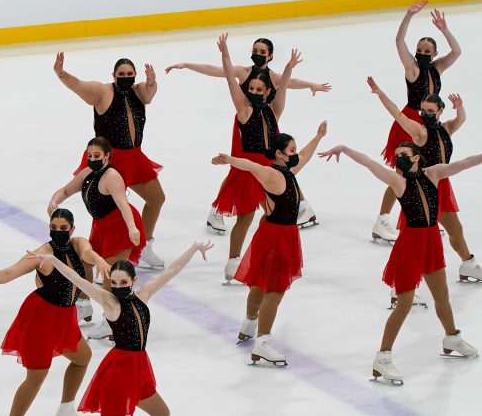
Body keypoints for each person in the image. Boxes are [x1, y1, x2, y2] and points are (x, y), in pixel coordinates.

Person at [29, 242, 214, 416]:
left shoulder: (143, 295)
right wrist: (52, 260)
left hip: (138, 368)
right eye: (113, 282)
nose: (118, 286)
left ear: (133, 280)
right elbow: (78, 278)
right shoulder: (109, 302)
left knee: (160, 414)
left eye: (123, 281)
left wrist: (194, 248)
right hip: (119, 371)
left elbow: (172, 270)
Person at [317, 142, 482, 384]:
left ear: (415, 158)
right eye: (397, 155)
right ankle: (382, 358)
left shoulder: (433, 174)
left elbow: (463, 164)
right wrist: (345, 149)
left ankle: (452, 338)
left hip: (431, 240)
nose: (399, 158)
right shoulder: (398, 182)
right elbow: (369, 163)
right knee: (404, 303)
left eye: (404, 154)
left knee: (441, 296)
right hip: (410, 245)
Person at [0, 209, 111, 416]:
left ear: (72, 229)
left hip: (64, 318)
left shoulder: (78, 244)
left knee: (82, 358)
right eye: (54, 227)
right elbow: (9, 273)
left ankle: (66, 410)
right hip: (40, 318)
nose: (58, 232)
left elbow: (87, 252)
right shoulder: (43, 255)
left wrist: (98, 260)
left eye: (63, 228)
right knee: (36, 376)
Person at [164, 36, 330, 233]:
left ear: (270, 56)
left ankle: (301, 205)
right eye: (255, 51)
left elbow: (288, 83)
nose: (257, 55)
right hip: (246, 124)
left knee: (277, 166)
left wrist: (310, 83)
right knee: (240, 169)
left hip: (267, 123)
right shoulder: (243, 72)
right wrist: (187, 65)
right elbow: (215, 70)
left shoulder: (274, 77)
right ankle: (219, 210)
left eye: (262, 52)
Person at [212, 121, 328, 366]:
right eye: (292, 150)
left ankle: (249, 324)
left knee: (259, 284)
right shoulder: (272, 174)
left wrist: (318, 137)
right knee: (275, 290)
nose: (296, 154)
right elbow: (251, 165)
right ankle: (262, 343)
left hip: (274, 233)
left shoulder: (286, 172)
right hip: (278, 236)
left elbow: (304, 157)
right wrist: (230, 159)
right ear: (279, 153)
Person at [367, 77, 482, 285]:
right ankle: (401, 285)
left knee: (455, 230)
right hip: (421, 188)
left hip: (441, 185)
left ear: (440, 111)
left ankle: (468, 265)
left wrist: (460, 107)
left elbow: (460, 120)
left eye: (429, 111)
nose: (424, 114)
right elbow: (398, 115)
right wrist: (380, 93)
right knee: (412, 240)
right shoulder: (419, 131)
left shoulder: (446, 128)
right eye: (422, 111)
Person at [53, 53, 167, 269]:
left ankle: (143, 247)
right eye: (121, 74)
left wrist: (151, 81)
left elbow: (149, 93)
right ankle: (92, 257)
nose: (126, 77)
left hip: (134, 157)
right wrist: (61, 73)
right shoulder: (102, 92)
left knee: (156, 199)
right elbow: (78, 85)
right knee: (106, 211)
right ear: (113, 75)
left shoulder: (137, 91)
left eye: (130, 74)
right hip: (109, 160)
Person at [211, 33, 301, 284]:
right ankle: (233, 261)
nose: (252, 92)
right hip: (250, 169)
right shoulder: (244, 110)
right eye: (250, 88)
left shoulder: (274, 110)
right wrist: (225, 55)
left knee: (274, 213)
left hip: (270, 169)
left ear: (267, 91)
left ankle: (267, 253)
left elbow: (282, 89)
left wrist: (288, 69)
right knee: (245, 217)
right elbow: (231, 81)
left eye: (258, 89)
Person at [371, 1, 462, 243]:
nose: (421, 53)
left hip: (427, 123)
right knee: (402, 172)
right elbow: (399, 42)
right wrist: (408, 15)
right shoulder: (412, 69)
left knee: (420, 172)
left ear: (434, 54)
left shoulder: (437, 68)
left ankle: (422, 215)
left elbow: (457, 52)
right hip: (409, 121)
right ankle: (382, 219)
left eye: (426, 50)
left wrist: (444, 29)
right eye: (419, 49)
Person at [48, 137, 144, 341]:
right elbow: (66, 190)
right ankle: (84, 305)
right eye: (89, 155)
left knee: (111, 276)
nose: (91, 159)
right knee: (83, 263)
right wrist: (54, 200)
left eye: (96, 156)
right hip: (100, 227)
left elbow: (123, 205)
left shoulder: (112, 177)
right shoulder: (87, 172)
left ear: (107, 156)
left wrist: (132, 228)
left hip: (119, 227)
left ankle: (111, 323)